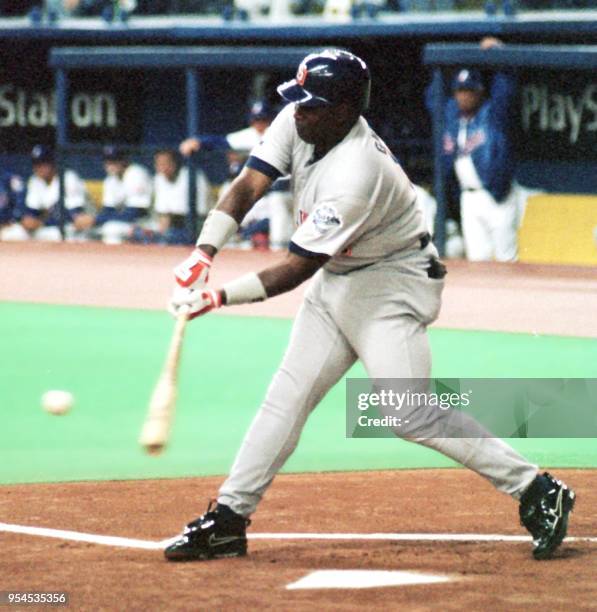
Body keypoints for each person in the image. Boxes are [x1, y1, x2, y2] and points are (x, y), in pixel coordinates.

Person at [165, 49, 575, 563]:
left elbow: (295, 268)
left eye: (310, 106)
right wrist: (203, 253)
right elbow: (249, 184)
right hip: (339, 279)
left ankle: (538, 490)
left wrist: (216, 296)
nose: (297, 113)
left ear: (344, 110)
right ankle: (228, 518)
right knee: (286, 397)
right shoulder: (302, 122)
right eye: (298, 102)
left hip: (390, 286)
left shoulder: (357, 173)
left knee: (409, 413)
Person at [429, 37, 520, 262]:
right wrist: (447, 61)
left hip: (497, 196)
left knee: (506, 259)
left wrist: (498, 53)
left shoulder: (492, 114)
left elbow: (506, 88)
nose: (464, 95)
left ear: (480, 92)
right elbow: (432, 96)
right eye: (460, 90)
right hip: (468, 198)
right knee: (477, 261)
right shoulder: (450, 115)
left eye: (469, 90)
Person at [180, 99, 293, 251]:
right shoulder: (248, 135)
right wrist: (198, 141)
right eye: (255, 120)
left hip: (283, 190)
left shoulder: (281, 134)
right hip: (261, 194)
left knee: (280, 208)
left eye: (263, 120)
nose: (259, 124)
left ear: (271, 119)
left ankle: (276, 248)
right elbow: (220, 142)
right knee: (230, 192)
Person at [0, 145, 93, 242]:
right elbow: (32, 212)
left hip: (75, 226)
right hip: (49, 227)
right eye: (36, 164)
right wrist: (28, 220)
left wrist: (41, 222)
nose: (39, 168)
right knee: (12, 234)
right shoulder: (35, 181)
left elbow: (74, 215)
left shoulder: (68, 178)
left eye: (44, 163)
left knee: (61, 234)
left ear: (53, 163)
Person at [130, 149, 213, 245]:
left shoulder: (192, 176)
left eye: (166, 163)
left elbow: (201, 212)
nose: (163, 167)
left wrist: (169, 221)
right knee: (136, 231)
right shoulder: (159, 179)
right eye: (159, 164)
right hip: (167, 225)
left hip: (195, 225)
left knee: (170, 236)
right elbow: (160, 213)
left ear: (175, 163)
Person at [93, 145, 153, 244]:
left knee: (111, 229)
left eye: (114, 160)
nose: (110, 164)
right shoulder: (110, 180)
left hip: (147, 221)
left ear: (124, 160)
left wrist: (96, 220)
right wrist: (93, 220)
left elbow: (136, 212)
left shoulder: (136, 173)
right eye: (107, 161)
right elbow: (108, 209)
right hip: (125, 221)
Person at [0, 169, 26, 233]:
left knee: (15, 233)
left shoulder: (9, 179)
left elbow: (19, 205)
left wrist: (12, 219)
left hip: (7, 225)